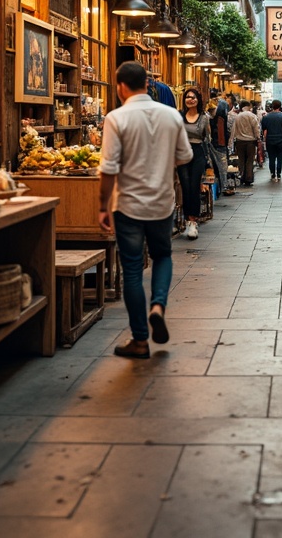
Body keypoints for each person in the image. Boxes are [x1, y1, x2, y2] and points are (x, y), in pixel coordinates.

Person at [99, 61, 192, 359]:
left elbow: (109, 168)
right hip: (162, 202)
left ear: (121, 86)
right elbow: (184, 156)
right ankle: (158, 306)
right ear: (147, 85)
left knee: (133, 269)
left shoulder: (116, 118)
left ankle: (140, 340)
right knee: (163, 255)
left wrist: (103, 206)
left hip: (127, 205)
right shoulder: (171, 116)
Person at [178, 86, 211, 239]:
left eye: (193, 97)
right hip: (182, 152)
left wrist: (208, 161)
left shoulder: (204, 117)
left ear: (198, 100)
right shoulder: (179, 116)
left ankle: (193, 221)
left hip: (197, 152)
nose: (190, 99)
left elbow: (207, 139)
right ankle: (187, 220)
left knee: (194, 185)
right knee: (185, 186)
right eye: (187, 97)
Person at [230, 100, 260, 186]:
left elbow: (233, 130)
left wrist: (231, 141)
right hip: (250, 142)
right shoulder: (252, 116)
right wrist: (258, 138)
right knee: (250, 160)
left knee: (241, 160)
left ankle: (241, 177)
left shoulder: (237, 116)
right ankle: (249, 178)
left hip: (239, 142)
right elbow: (256, 128)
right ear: (248, 106)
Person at [261, 99, 282, 181]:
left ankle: (273, 174)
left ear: (272, 106)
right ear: (280, 106)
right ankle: (279, 174)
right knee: (279, 158)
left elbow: (264, 130)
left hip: (270, 140)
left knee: (271, 158)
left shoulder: (266, 117)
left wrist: (264, 140)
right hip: (280, 140)